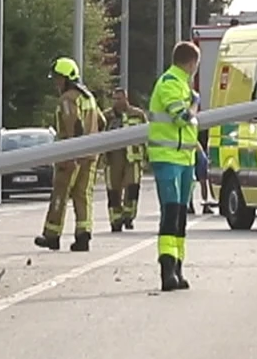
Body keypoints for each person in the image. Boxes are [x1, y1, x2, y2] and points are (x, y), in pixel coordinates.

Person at [148, 41, 200, 292]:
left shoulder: (182, 85)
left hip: (184, 158)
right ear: (191, 63)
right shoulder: (169, 82)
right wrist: (194, 105)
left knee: (179, 216)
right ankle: (167, 269)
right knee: (170, 214)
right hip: (167, 157)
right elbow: (182, 119)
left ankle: (178, 267)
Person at [37, 57, 102, 253]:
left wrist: (72, 153)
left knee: (60, 194)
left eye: (58, 78)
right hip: (91, 154)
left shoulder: (68, 99)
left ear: (67, 78)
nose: (56, 83)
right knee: (83, 195)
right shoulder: (88, 96)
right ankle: (83, 235)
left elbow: (74, 125)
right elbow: (102, 120)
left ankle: (52, 235)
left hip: (71, 154)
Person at [103, 85, 146, 232]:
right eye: (114, 99)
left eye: (119, 98)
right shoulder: (107, 116)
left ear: (126, 98)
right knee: (113, 190)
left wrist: (146, 157)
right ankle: (115, 219)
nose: (116, 102)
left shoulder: (138, 114)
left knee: (132, 187)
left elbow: (146, 135)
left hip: (132, 157)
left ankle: (129, 216)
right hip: (113, 157)